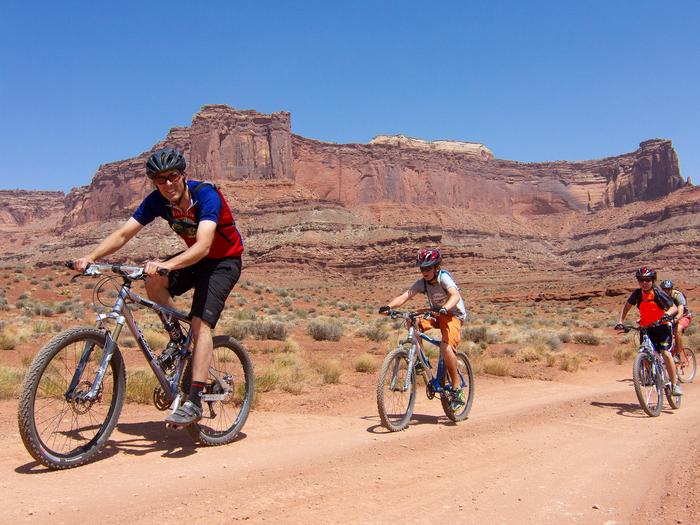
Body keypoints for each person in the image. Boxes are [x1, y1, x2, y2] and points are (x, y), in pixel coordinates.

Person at [73, 147, 244, 425]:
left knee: (201, 324)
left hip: (223, 261)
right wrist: (91, 257)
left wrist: (169, 264)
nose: (167, 184)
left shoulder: (205, 195)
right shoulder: (157, 201)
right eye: (159, 180)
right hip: (194, 260)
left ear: (183, 176)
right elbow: (123, 233)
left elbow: (203, 245)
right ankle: (178, 340)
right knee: (153, 280)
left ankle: (194, 401)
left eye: (172, 177)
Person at [378, 248, 468, 411]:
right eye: (422, 268)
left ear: (436, 267)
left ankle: (457, 390)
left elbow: (455, 295)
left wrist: (445, 307)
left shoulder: (444, 277)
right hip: (437, 314)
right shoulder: (422, 283)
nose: (425, 271)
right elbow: (405, 296)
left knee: (446, 348)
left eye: (428, 268)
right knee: (413, 322)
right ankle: (420, 360)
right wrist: (388, 306)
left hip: (453, 315)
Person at [615, 266, 680, 395]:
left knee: (666, 354)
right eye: (641, 280)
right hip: (646, 328)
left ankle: (674, 384)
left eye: (647, 280)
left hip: (662, 327)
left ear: (652, 280)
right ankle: (651, 376)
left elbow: (673, 307)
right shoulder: (637, 294)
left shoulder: (658, 293)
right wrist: (620, 321)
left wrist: (667, 314)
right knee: (644, 352)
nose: (644, 283)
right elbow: (626, 307)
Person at [660, 279, 693, 358]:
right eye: (664, 289)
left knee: (677, 330)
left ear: (671, 289)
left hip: (684, 316)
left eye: (668, 289)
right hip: (670, 318)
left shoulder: (677, 295)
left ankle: (678, 355)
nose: (666, 291)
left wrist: (675, 320)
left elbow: (680, 311)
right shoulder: (660, 297)